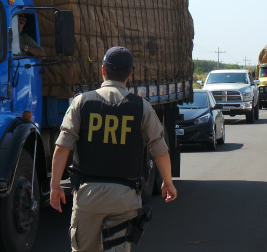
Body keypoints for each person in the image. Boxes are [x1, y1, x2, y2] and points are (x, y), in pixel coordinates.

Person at [49, 46, 177, 252]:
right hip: (125, 198)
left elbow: (62, 147)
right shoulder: (142, 107)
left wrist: (55, 186)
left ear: (102, 70)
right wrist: (168, 183)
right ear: (130, 74)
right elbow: (159, 150)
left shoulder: (81, 103)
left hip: (87, 195)